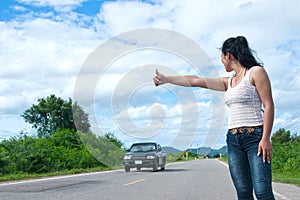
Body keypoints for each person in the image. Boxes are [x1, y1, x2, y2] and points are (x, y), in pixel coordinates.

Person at [153, 36, 275, 200]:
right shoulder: (228, 82)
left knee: (262, 192)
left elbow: (268, 105)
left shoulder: (255, 72)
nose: (222, 61)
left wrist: (265, 138)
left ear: (228, 55)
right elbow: (196, 81)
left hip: (255, 138)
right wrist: (167, 79)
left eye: (222, 57)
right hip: (233, 140)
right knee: (243, 192)